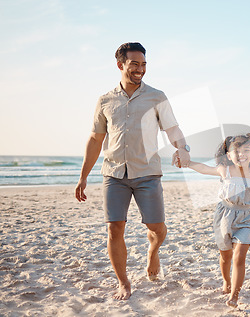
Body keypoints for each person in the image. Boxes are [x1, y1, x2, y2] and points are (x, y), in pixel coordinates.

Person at [74, 42, 191, 300]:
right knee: (114, 228)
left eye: (144, 64)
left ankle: (153, 250)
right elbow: (95, 140)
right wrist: (83, 176)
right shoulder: (105, 100)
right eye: (135, 64)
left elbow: (173, 129)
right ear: (120, 65)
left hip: (147, 173)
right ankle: (123, 282)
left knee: (157, 227)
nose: (140, 69)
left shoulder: (157, 97)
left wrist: (183, 148)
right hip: (114, 174)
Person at [174, 133, 250, 307]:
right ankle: (226, 280)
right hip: (224, 216)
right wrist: (187, 163)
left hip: (246, 218)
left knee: (239, 257)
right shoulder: (224, 170)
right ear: (229, 155)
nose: (241, 154)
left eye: (246, 150)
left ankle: (234, 295)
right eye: (236, 151)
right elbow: (203, 168)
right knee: (225, 256)